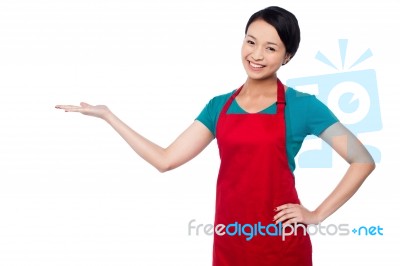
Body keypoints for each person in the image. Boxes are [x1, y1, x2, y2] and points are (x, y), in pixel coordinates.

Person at [56, 6, 375, 266]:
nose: (257, 54)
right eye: (251, 42)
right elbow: (165, 160)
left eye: (271, 47)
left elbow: (361, 160)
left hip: (282, 248)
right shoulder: (218, 107)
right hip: (229, 247)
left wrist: (317, 214)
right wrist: (109, 116)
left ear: (287, 56)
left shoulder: (304, 106)